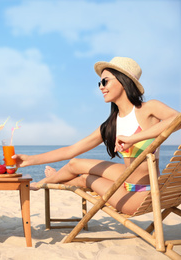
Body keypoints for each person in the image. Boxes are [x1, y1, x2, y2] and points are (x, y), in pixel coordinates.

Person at [14, 57, 180, 215]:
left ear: (123, 81)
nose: (101, 87)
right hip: (126, 182)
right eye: (99, 83)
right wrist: (30, 160)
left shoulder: (148, 108)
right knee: (75, 164)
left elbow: (177, 119)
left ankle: (48, 181)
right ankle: (57, 178)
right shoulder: (111, 124)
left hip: (140, 196)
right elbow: (72, 150)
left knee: (85, 178)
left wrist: (133, 139)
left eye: (105, 81)